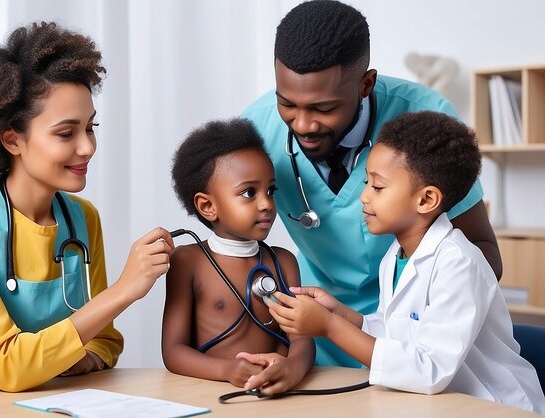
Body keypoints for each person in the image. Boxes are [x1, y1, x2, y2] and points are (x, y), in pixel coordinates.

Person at [241, 0, 502, 367]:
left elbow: (481, 252)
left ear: (366, 84)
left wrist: (422, 328)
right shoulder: (256, 128)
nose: (302, 125)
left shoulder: (426, 121)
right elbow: (234, 251)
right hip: (318, 327)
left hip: (414, 334)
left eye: (324, 109)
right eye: (287, 104)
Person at [0, 22, 174, 392]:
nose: (87, 147)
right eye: (66, 133)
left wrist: (87, 358)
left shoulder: (82, 219)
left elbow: (104, 339)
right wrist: (124, 289)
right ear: (12, 139)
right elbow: (5, 365)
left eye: (90, 127)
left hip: (32, 402)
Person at [257, 111, 545, 413]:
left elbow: (430, 370)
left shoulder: (459, 264)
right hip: (438, 404)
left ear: (426, 200)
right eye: (366, 182)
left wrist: (329, 327)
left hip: (493, 406)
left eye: (377, 187)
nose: (364, 197)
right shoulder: (396, 255)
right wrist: (342, 314)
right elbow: (399, 331)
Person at [163, 118, 315, 395]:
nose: (266, 203)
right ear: (207, 206)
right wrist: (226, 371)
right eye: (249, 193)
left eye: (271, 190)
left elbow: (302, 338)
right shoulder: (188, 261)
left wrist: (292, 367)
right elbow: (173, 351)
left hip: (277, 394)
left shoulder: (283, 262)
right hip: (214, 393)